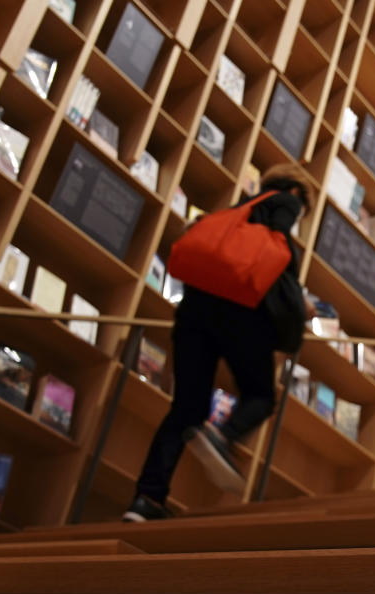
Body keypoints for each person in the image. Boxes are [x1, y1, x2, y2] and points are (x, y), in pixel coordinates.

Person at [123, 165, 313, 522]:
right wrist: (299, 302)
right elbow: (274, 252)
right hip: (241, 316)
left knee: (185, 409)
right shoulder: (286, 201)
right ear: (299, 194)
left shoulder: (231, 214)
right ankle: (223, 435)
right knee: (261, 395)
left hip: (194, 314)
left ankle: (146, 499)